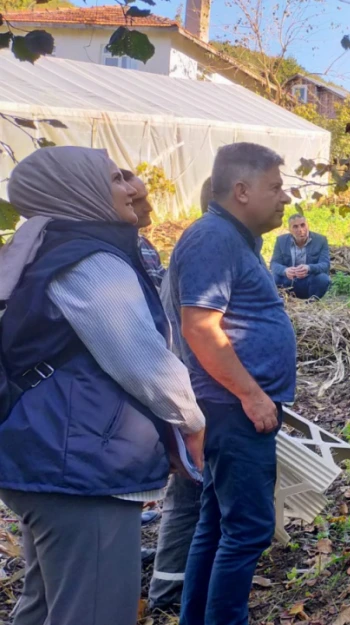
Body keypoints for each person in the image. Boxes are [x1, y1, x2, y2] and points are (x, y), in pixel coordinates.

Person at [0, 147, 205, 625]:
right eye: (117, 177)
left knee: (48, 603)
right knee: (95, 614)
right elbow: (144, 362)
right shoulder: (90, 260)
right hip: (81, 468)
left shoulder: (44, 249)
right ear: (79, 191)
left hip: (49, 454)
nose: (134, 187)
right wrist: (192, 422)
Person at [164, 142, 296, 625]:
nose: (286, 198)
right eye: (276, 187)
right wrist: (252, 394)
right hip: (231, 407)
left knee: (219, 525)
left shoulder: (232, 239)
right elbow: (200, 327)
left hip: (234, 405)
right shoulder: (213, 240)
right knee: (247, 528)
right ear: (241, 190)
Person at [122, 170, 167, 288]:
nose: (149, 208)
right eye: (136, 201)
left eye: (146, 199)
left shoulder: (145, 246)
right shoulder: (109, 255)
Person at [271, 213, 332, 300]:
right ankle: (282, 299)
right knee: (273, 277)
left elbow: (325, 265)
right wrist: (285, 270)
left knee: (323, 279)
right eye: (295, 227)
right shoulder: (281, 240)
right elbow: (274, 263)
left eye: (303, 225)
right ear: (290, 229)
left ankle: (312, 301)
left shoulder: (320, 240)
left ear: (308, 225)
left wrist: (309, 268)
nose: (300, 229)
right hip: (288, 282)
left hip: (309, 282)